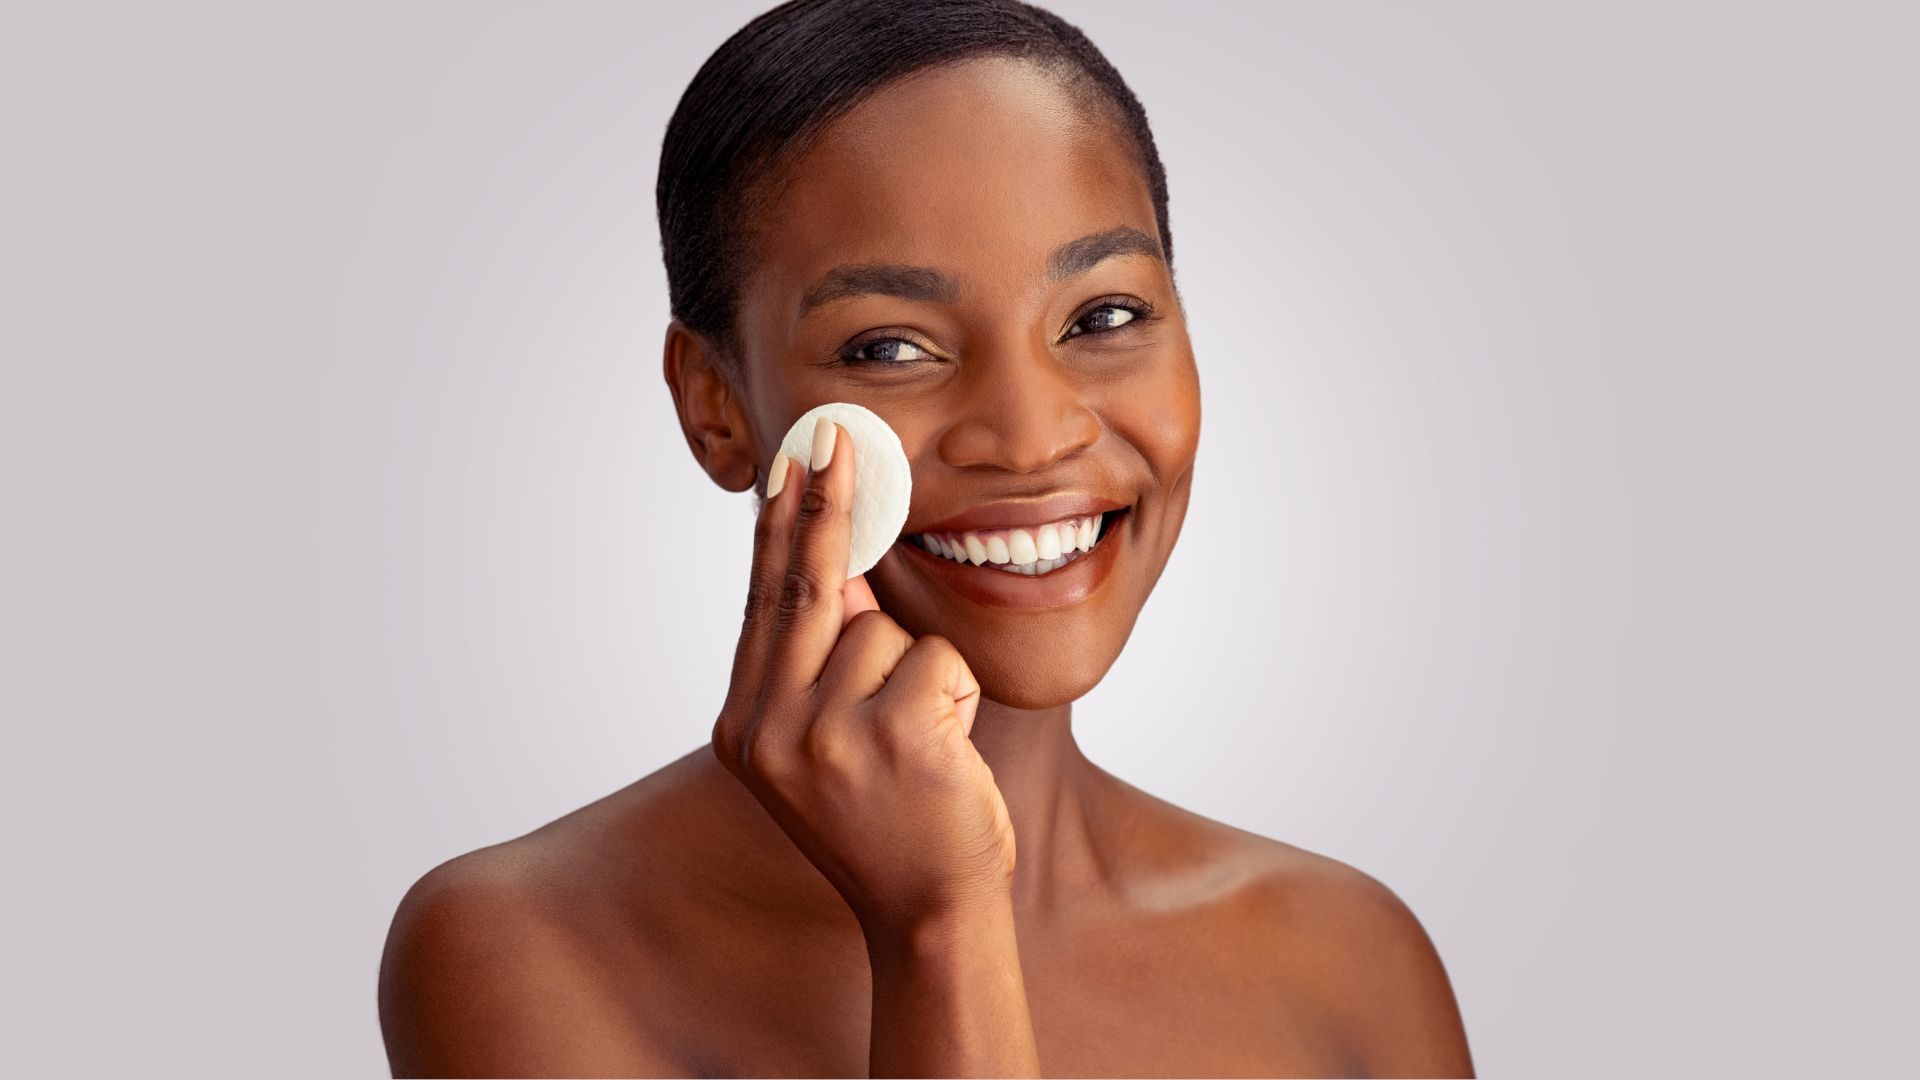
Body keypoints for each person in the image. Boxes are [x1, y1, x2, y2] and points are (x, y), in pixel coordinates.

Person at [377, 1, 1473, 1075]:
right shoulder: (520, 949)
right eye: (891, 348)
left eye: (1103, 318)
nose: (1034, 437)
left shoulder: (1351, 955)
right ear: (717, 407)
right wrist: (939, 928)